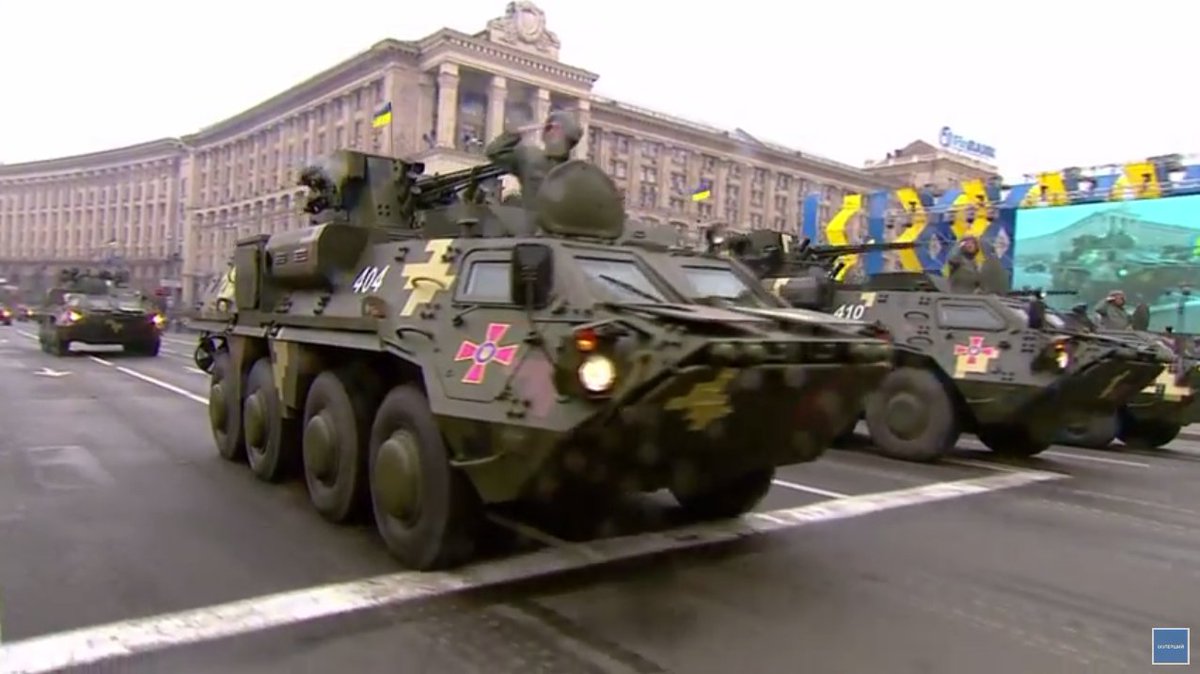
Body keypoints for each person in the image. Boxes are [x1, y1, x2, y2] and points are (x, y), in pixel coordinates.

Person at [484, 110, 583, 203]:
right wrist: (522, 131)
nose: (552, 132)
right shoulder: (529, 157)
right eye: (548, 128)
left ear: (570, 139)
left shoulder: (578, 172)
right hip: (529, 218)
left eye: (558, 129)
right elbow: (494, 151)